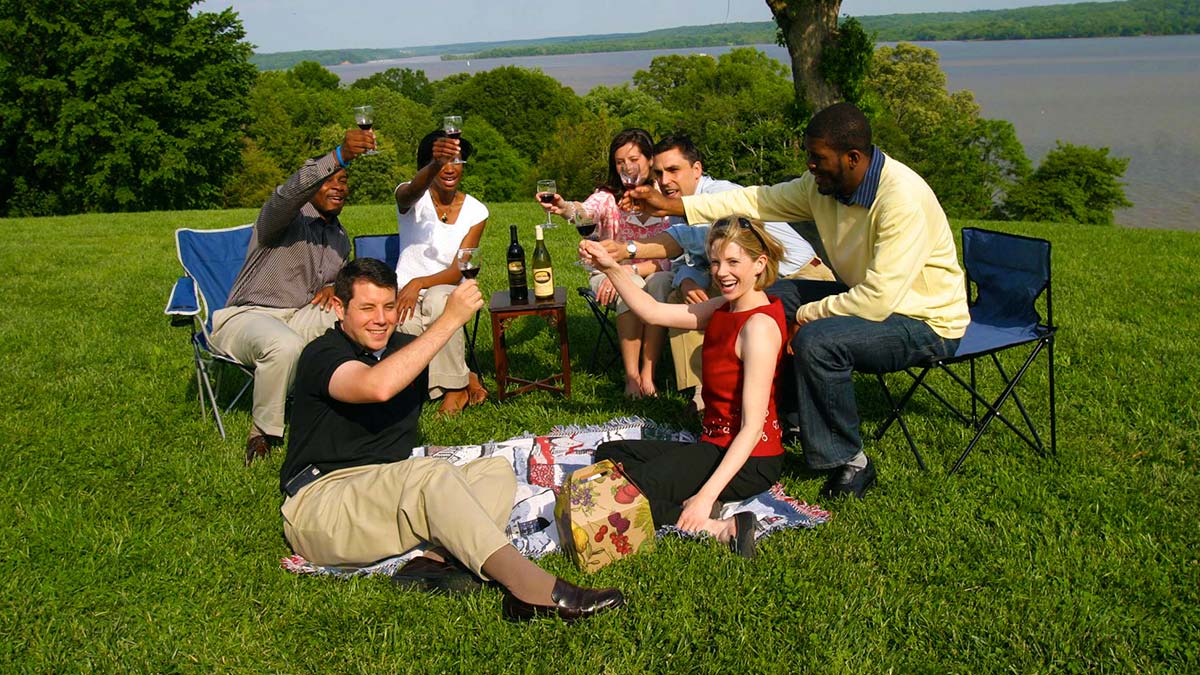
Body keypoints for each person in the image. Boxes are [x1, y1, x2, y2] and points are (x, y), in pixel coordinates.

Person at [627, 102, 970, 500]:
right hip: (865, 297)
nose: (809, 165)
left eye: (817, 158)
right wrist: (676, 206)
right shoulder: (824, 186)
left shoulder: (901, 200)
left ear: (852, 158)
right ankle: (778, 416)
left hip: (922, 320)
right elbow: (756, 201)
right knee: (767, 299)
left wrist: (805, 316)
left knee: (817, 340)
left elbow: (878, 300)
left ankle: (849, 460)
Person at [279, 258, 625, 622]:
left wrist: (473, 381)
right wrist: (449, 319)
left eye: (389, 306)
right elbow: (376, 386)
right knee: (432, 475)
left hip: (383, 499)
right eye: (367, 308)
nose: (380, 319)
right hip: (322, 507)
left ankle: (433, 563)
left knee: (494, 471)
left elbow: (439, 369)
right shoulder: (322, 354)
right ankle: (532, 591)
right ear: (339, 308)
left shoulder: (402, 347)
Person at [580, 217, 788, 558]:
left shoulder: (759, 327)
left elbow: (752, 428)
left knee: (619, 493)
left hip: (750, 459)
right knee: (609, 456)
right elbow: (653, 311)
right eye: (717, 262)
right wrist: (612, 266)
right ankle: (701, 504)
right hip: (713, 444)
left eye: (734, 262)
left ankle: (717, 527)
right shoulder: (725, 306)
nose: (722, 272)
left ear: (759, 263)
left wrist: (704, 496)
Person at [598, 134, 831, 413]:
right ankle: (703, 393)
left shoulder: (719, 194)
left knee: (726, 288)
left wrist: (628, 250)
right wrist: (685, 279)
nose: (665, 180)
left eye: (674, 170)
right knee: (680, 294)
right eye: (659, 173)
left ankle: (747, 396)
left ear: (696, 170)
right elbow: (693, 254)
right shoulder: (676, 208)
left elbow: (688, 238)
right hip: (755, 281)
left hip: (801, 278)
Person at [211, 128, 375, 465]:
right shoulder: (283, 220)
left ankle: (361, 401)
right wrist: (339, 156)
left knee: (362, 315)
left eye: (344, 181)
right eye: (330, 180)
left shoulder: (339, 238)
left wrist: (336, 286)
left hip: (299, 316)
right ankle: (263, 433)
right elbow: (288, 193)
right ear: (312, 187)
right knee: (284, 345)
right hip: (250, 316)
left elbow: (336, 282)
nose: (339, 186)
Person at [538, 128, 671, 398]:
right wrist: (564, 208)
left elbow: (671, 259)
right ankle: (632, 377)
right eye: (620, 162)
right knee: (630, 285)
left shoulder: (667, 197)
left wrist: (631, 268)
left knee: (662, 283)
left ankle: (649, 374)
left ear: (650, 159)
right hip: (611, 275)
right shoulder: (608, 196)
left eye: (634, 160)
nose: (627, 167)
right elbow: (585, 212)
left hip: (655, 271)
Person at [393, 130, 489, 415]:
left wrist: (418, 282)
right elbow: (410, 191)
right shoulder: (410, 199)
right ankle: (464, 376)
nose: (450, 168)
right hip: (404, 293)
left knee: (438, 302)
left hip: (447, 289)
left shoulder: (476, 211)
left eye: (457, 160)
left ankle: (455, 390)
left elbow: (459, 268)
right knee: (407, 325)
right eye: (441, 161)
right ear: (428, 165)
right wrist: (409, 286)